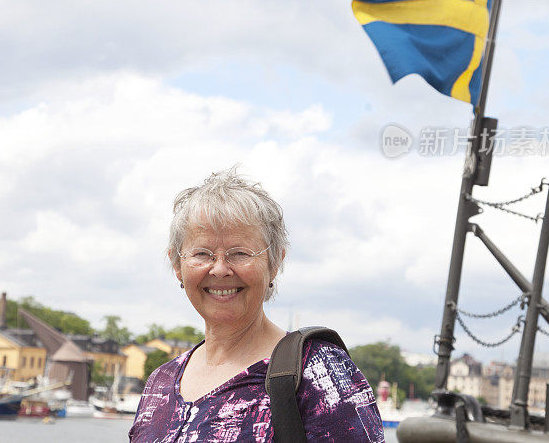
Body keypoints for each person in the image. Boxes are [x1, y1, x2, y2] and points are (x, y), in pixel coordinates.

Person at [129, 168, 384, 442]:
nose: (220, 269)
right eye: (202, 253)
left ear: (275, 262)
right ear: (177, 265)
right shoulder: (161, 382)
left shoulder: (318, 370)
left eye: (239, 253)